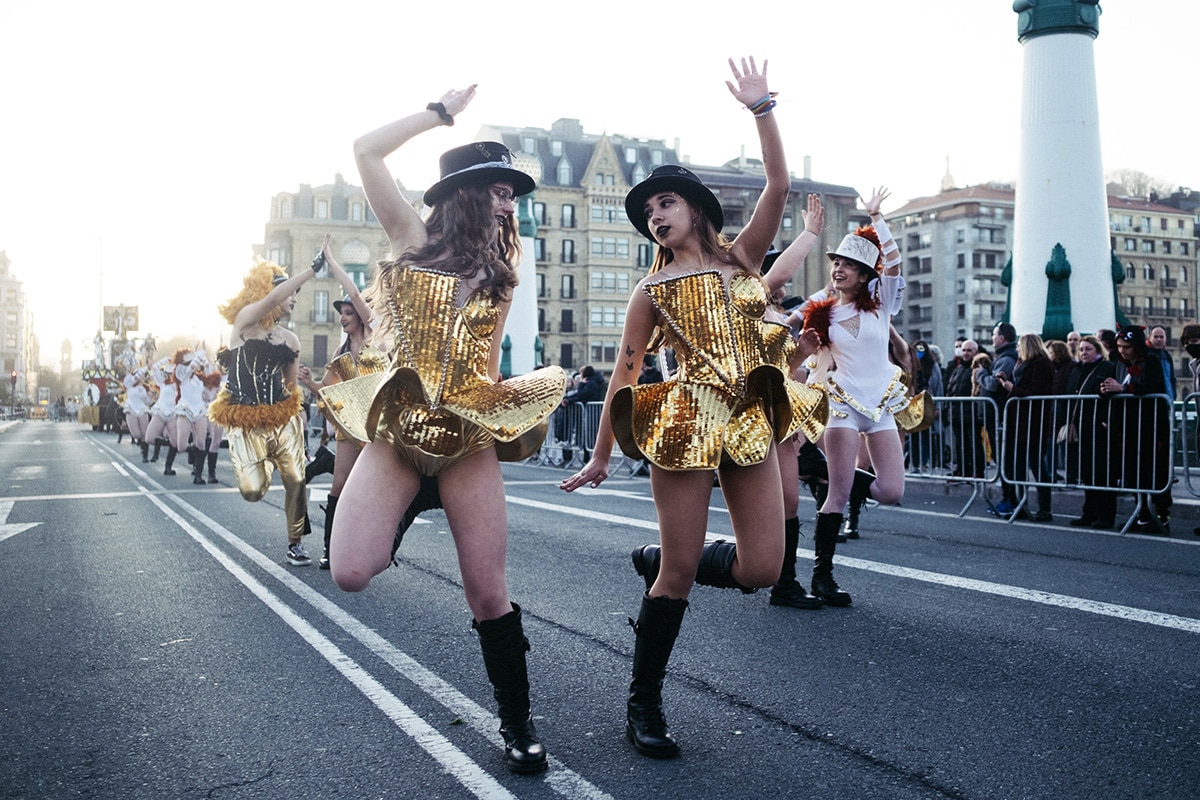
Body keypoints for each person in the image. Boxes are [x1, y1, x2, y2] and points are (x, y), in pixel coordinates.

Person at [560, 57, 813, 759]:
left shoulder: (741, 261)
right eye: (648, 213)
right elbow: (625, 373)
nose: (655, 216)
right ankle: (643, 703)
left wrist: (762, 110)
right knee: (677, 578)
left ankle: (664, 556)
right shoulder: (650, 291)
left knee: (763, 569)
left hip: (750, 420)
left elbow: (778, 185)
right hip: (686, 424)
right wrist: (601, 454)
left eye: (665, 204)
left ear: (694, 208)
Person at [326, 87, 566, 775]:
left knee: (487, 591)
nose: (510, 207)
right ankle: (410, 500)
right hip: (401, 433)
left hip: (465, 438)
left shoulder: (500, 276)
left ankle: (517, 722)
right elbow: (366, 151)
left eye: (513, 196)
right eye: (501, 192)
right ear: (466, 193)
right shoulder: (411, 238)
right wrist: (437, 115)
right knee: (350, 571)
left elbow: (486, 367)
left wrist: (502, 413)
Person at [796, 188, 906, 602]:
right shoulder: (823, 311)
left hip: (880, 404)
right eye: (836, 263)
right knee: (838, 496)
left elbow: (893, 261)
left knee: (891, 491)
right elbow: (786, 323)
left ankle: (821, 469)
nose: (839, 269)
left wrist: (876, 217)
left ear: (864, 275)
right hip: (841, 405)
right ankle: (822, 577)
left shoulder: (882, 304)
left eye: (849, 265)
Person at [208, 255, 321, 566]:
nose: (294, 298)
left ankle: (296, 544)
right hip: (245, 420)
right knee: (253, 490)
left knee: (296, 479)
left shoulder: (291, 340)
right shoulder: (244, 323)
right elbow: (271, 299)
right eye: (290, 292)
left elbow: (291, 387)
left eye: (296, 293)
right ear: (268, 291)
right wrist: (312, 271)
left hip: (282, 420)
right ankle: (264, 461)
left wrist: (299, 420)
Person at [297, 233, 386, 570]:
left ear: (360, 315)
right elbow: (327, 391)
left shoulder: (375, 337)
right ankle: (330, 550)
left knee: (372, 492)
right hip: (350, 428)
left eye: (349, 312)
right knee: (339, 488)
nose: (343, 317)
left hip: (378, 429)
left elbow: (354, 292)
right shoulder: (340, 351)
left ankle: (372, 549)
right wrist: (309, 382)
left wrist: (332, 262)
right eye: (341, 313)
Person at [1100, 326, 1171, 533]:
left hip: (1151, 427)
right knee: (1133, 473)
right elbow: (1116, 386)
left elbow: (1150, 386)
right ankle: (1142, 513)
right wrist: (1104, 390)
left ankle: (1161, 517)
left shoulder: (1151, 361)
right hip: (1129, 427)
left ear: (1137, 346)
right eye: (1119, 346)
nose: (1122, 351)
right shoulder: (1119, 364)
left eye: (1127, 347)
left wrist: (1122, 389)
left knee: (1155, 472)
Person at [993, 333, 1055, 521]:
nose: (1017, 348)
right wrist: (1006, 380)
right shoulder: (1023, 363)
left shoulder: (1041, 364)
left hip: (1033, 422)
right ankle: (1020, 505)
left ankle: (1045, 508)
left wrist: (1011, 388)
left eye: (1019, 345)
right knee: (1018, 466)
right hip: (1019, 421)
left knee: (1037, 465)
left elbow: (1037, 392)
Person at [1065, 335, 1118, 528]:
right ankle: (1089, 512)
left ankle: (1105, 515)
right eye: (1081, 349)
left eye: (1088, 349)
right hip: (1081, 426)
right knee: (1087, 472)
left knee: (1103, 472)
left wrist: (1105, 420)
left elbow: (1111, 396)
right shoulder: (1077, 369)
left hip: (1099, 426)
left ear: (1097, 350)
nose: (1083, 353)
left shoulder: (1106, 368)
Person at [977, 322, 1018, 512]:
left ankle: (1010, 500)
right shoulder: (1001, 357)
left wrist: (980, 374)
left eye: (994, 334)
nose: (992, 338)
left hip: (1000, 416)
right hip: (994, 416)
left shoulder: (1007, 359)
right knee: (1001, 459)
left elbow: (994, 384)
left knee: (1005, 460)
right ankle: (1007, 499)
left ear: (1002, 338)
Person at [946, 338, 984, 478]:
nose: (965, 353)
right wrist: (948, 407)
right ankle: (962, 470)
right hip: (957, 413)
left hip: (972, 414)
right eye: (964, 350)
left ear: (976, 351)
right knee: (960, 444)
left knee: (974, 443)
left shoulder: (979, 368)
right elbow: (951, 389)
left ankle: (977, 471)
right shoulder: (958, 369)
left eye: (969, 350)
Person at [1148, 326, 1176, 401]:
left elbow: (1172, 378)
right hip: (1149, 400)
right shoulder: (1144, 355)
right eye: (1156, 337)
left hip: (1165, 399)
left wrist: (1173, 394)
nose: (1159, 339)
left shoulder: (1167, 356)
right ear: (1150, 338)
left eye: (1161, 337)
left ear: (1165, 339)